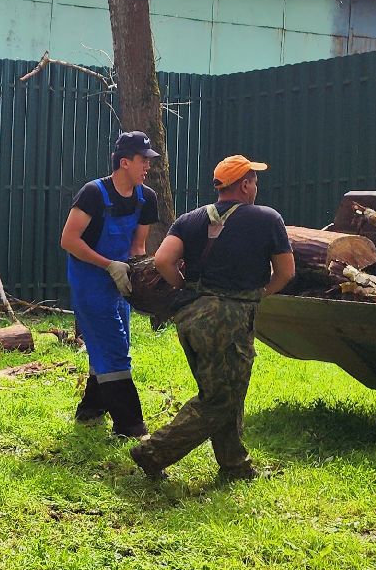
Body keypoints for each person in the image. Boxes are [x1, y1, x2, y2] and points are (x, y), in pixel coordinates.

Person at [130, 156, 295, 483]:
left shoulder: (189, 219)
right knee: (221, 397)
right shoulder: (267, 219)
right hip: (230, 317)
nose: (256, 186)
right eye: (254, 181)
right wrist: (263, 293)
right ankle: (154, 451)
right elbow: (287, 271)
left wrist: (182, 286)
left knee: (222, 388)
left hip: (189, 314)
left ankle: (234, 464)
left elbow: (163, 259)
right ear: (245, 184)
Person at [60, 131, 162, 437]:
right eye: (143, 160)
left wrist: (143, 283)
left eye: (149, 160)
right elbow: (68, 240)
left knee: (109, 345)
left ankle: (91, 410)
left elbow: (138, 248)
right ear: (124, 162)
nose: (148, 166)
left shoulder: (147, 198)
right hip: (90, 281)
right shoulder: (93, 193)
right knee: (116, 351)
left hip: (120, 281)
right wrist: (108, 265)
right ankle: (130, 426)